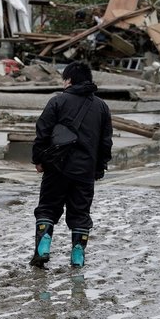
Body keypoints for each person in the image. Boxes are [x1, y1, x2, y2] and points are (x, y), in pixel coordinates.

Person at [30, 61, 113, 268]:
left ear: (68, 80)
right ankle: (77, 254)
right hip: (85, 170)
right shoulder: (102, 107)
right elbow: (105, 142)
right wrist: (99, 167)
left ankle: (43, 247)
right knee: (80, 213)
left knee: (48, 208)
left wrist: (38, 160)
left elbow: (42, 131)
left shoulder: (57, 101)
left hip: (57, 168)